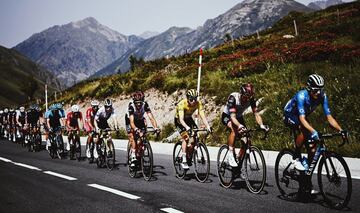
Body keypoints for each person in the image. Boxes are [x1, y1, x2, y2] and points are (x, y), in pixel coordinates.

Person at [284, 74, 347, 171]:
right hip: (290, 114)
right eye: (315, 90)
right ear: (309, 89)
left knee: (312, 147)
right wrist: (313, 131)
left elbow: (329, 118)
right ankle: (296, 157)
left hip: (302, 117)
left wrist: (341, 130)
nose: (318, 92)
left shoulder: (322, 96)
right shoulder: (301, 96)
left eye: (320, 89)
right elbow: (302, 119)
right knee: (303, 128)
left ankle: (306, 174)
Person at [222, 83, 269, 167]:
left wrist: (261, 125)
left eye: (249, 97)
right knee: (234, 130)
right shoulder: (233, 98)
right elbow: (232, 117)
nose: (247, 99)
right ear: (241, 94)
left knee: (247, 139)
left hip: (238, 117)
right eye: (245, 97)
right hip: (228, 116)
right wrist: (239, 126)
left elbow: (256, 114)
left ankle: (239, 160)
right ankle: (230, 154)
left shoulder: (250, 99)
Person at [174, 89, 212, 169]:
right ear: (187, 98)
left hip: (188, 119)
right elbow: (181, 119)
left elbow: (202, 116)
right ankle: (184, 159)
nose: (193, 101)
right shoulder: (182, 104)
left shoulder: (198, 103)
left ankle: (189, 154)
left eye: (195, 99)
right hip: (179, 121)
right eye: (191, 99)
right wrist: (187, 128)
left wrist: (207, 126)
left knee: (195, 136)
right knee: (186, 137)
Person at [125, 91, 160, 167]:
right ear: (134, 102)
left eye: (140, 102)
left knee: (142, 136)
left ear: (143, 101)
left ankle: (139, 154)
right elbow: (131, 122)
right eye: (136, 102)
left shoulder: (145, 105)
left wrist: (156, 127)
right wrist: (136, 129)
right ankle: (133, 155)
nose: (138, 104)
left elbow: (151, 117)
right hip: (130, 120)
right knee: (132, 136)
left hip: (140, 119)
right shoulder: (131, 106)